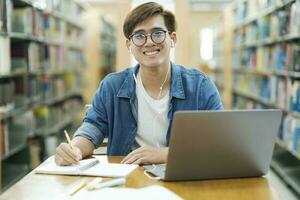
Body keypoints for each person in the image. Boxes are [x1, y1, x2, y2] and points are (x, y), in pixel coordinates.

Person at [54, 2, 223, 166]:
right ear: (129, 45)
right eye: (139, 36)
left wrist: (167, 154)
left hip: (180, 179)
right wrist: (74, 149)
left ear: (172, 39)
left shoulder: (200, 86)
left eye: (157, 33)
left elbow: (220, 141)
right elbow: (92, 128)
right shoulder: (112, 86)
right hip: (127, 180)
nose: (149, 42)